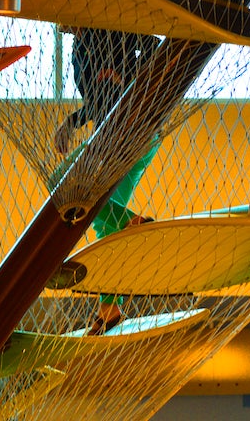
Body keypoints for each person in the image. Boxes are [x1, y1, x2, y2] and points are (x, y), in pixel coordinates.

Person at [52, 25, 162, 335]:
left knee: (61, 184)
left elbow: (154, 45)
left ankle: (129, 221)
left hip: (130, 132)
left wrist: (129, 79)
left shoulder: (110, 31)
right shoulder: (79, 49)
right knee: (105, 227)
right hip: (121, 138)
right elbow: (96, 101)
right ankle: (110, 308)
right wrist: (72, 122)